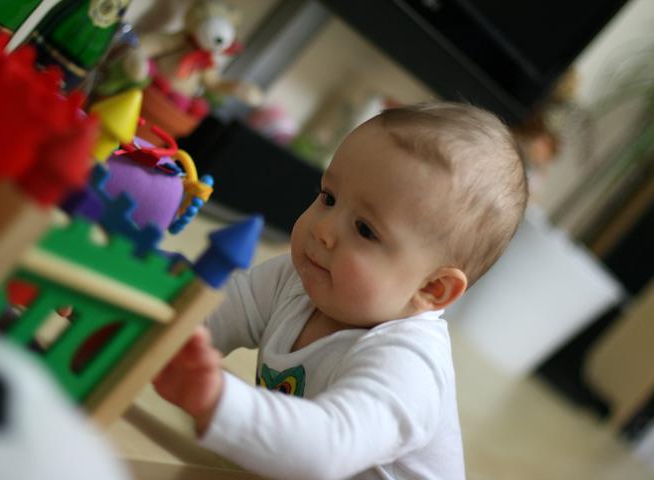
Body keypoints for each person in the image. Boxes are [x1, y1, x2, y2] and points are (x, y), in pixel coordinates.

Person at [154, 102, 529, 479]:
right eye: (329, 197)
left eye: (365, 229)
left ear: (432, 287)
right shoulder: (297, 278)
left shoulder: (409, 365)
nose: (323, 229)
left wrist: (217, 401)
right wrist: (158, 324)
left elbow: (329, 448)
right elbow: (214, 315)